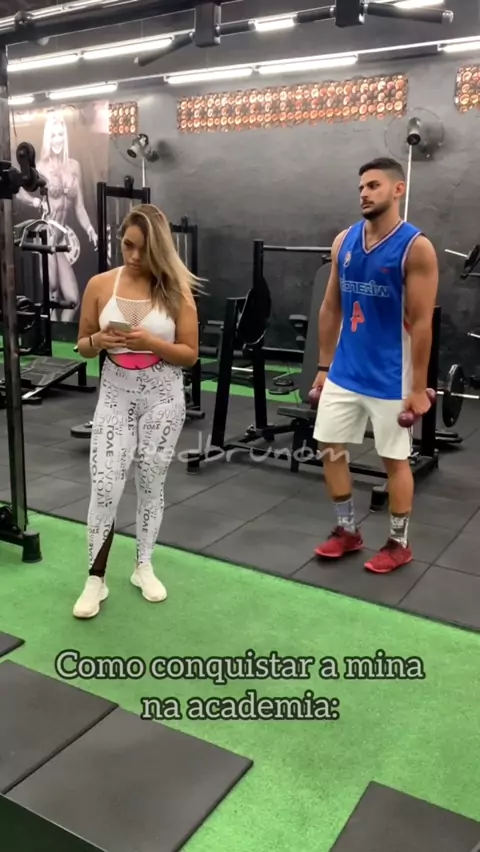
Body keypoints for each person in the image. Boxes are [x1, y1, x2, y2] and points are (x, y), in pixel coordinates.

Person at [312, 157, 438, 573]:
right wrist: (324, 366)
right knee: (330, 448)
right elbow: (331, 306)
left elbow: (422, 323)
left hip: (391, 376)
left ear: (398, 189)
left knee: (393, 460)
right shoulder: (344, 241)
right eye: (361, 187)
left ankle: (399, 543)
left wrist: (417, 388)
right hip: (345, 371)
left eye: (373, 185)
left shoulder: (415, 247)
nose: (364, 193)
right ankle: (347, 530)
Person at [73, 203, 199, 618]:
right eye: (128, 245)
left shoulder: (176, 290)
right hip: (116, 394)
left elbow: (190, 354)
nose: (133, 255)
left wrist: (153, 344)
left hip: (163, 398)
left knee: (150, 482)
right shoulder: (100, 285)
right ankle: (95, 578)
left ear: (159, 249)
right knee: (105, 485)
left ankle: (143, 565)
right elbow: (82, 344)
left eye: (143, 249)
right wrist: (99, 342)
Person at [17, 110, 98, 322]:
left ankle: (59, 333)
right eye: (53, 135)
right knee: (51, 292)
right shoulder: (40, 167)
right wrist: (35, 202)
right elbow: (18, 189)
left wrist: (90, 229)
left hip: (60, 239)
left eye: (60, 134)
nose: (57, 140)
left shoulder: (74, 167)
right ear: (47, 138)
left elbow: (79, 206)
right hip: (46, 235)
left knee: (73, 300)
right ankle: (50, 336)